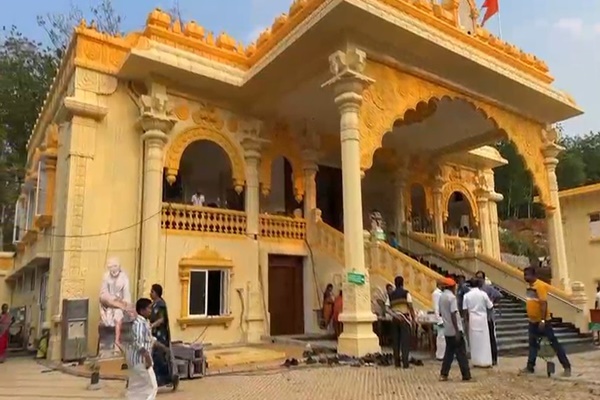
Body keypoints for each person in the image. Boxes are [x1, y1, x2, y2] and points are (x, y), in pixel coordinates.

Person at [520, 266, 571, 377]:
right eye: (524, 275)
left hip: (543, 321)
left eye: (527, 275)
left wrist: (542, 320)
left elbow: (543, 304)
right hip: (532, 321)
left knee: (554, 343)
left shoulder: (540, 286)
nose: (525, 277)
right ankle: (530, 366)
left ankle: (567, 366)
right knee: (533, 345)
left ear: (534, 275)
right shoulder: (529, 287)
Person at [126, 298, 160, 400]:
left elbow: (148, 340)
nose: (150, 311)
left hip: (136, 362)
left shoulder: (144, 322)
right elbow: (139, 343)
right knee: (152, 387)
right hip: (141, 361)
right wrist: (148, 359)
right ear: (141, 310)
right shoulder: (139, 323)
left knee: (136, 389)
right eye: (148, 308)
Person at [438, 277, 471, 382]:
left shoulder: (441, 297)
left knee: (448, 354)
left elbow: (440, 313)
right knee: (461, 353)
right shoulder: (451, 298)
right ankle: (466, 375)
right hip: (454, 330)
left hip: (447, 330)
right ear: (452, 287)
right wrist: (457, 330)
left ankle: (444, 374)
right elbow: (453, 314)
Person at [99, 257, 132, 357]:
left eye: (115, 266)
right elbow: (103, 292)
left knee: (118, 314)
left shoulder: (124, 278)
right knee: (107, 300)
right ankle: (118, 305)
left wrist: (124, 303)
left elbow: (126, 294)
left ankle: (117, 342)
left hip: (120, 303)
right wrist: (110, 299)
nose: (113, 269)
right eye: (111, 267)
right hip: (109, 301)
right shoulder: (106, 276)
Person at [149, 284, 178, 390]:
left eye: (152, 292)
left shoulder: (161, 304)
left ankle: (170, 378)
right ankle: (157, 381)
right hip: (154, 335)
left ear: (156, 293)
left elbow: (161, 319)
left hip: (161, 336)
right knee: (154, 358)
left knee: (161, 357)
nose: (150, 293)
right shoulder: (153, 305)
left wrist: (152, 325)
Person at [462, 278, 493, 368]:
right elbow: (490, 306)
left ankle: (476, 361)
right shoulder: (483, 294)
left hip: (472, 318)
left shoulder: (466, 295)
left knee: (474, 340)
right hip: (482, 318)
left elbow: (464, 310)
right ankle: (486, 361)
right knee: (484, 340)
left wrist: (466, 320)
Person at [387, 276, 415, 369]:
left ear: (395, 284)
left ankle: (397, 363)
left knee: (396, 341)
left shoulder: (390, 295)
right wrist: (414, 319)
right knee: (405, 341)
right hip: (404, 319)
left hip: (395, 319)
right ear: (402, 283)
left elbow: (386, 308)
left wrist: (394, 315)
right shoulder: (406, 293)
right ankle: (405, 363)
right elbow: (410, 306)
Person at [475, 270, 502, 365]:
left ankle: (494, 358)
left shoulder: (488, 288)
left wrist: (492, 301)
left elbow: (499, 295)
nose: (479, 279)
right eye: (477, 277)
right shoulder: (474, 290)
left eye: (480, 277)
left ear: (483, 278)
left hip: (488, 317)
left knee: (491, 338)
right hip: (479, 318)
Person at [432, 281, 445, 361]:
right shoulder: (436, 293)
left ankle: (442, 354)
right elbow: (436, 307)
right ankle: (440, 355)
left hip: (443, 317)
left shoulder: (440, 293)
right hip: (440, 318)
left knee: (442, 338)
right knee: (441, 337)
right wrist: (439, 319)